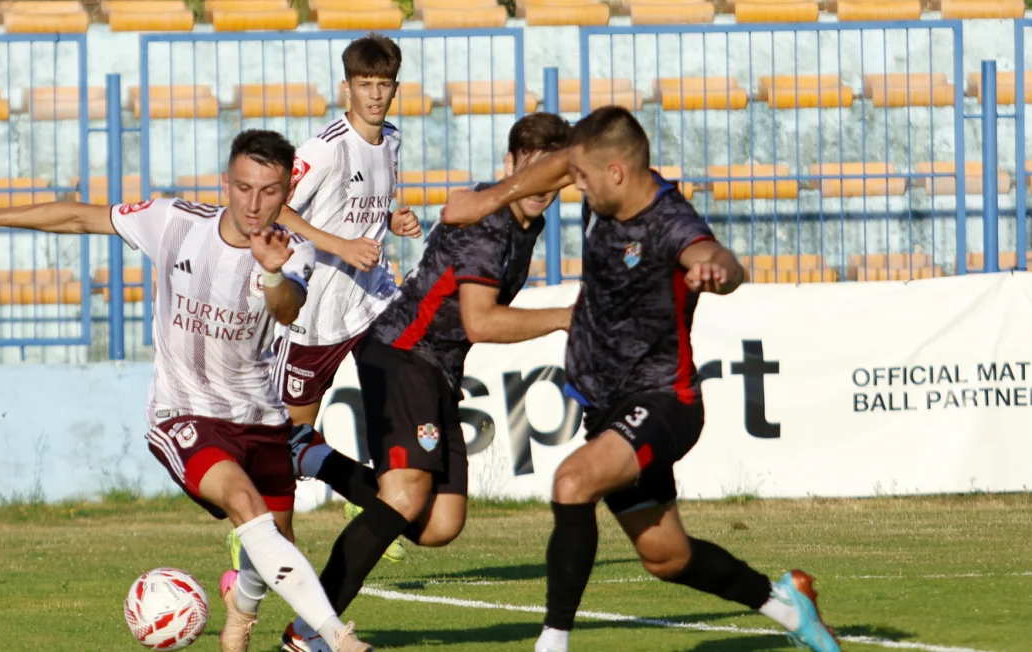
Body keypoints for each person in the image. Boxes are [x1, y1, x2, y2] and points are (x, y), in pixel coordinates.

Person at [0, 130, 374, 652]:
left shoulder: (294, 251)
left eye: (268, 191)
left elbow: (287, 308)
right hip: (183, 413)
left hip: (260, 416)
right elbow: (80, 216)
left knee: (272, 543)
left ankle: (239, 618)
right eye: (243, 187)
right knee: (247, 507)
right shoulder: (174, 221)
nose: (253, 203)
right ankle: (336, 637)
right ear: (227, 181)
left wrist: (270, 273)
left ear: (286, 193)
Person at [440, 106, 841, 652]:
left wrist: (718, 270)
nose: (569, 184)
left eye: (580, 177)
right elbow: (557, 164)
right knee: (666, 557)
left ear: (617, 173)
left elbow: (713, 253)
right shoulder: (599, 181)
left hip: (664, 401)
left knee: (572, 482)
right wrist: (489, 199)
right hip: (607, 408)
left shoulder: (668, 222)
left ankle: (551, 644)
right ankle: (788, 607)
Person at [281, 113, 576, 652]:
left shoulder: (520, 222)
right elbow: (480, 321)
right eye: (531, 171)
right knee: (404, 495)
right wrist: (565, 316)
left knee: (438, 524)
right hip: (402, 354)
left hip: (436, 368)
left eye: (553, 177)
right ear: (511, 166)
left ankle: (313, 456)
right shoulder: (489, 223)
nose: (541, 188)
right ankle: (309, 631)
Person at [224, 32, 421, 577]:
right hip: (315, 316)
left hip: (374, 301)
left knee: (404, 389)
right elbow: (274, 206)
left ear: (396, 89)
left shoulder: (394, 139)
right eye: (365, 85)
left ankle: (380, 499)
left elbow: (369, 210)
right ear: (346, 88)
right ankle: (261, 529)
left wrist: (395, 221)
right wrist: (340, 246)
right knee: (290, 436)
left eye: (384, 85)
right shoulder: (325, 147)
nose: (375, 96)